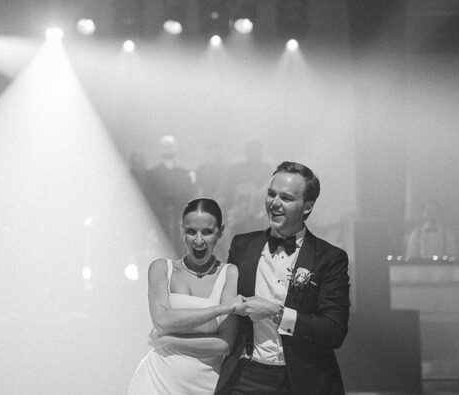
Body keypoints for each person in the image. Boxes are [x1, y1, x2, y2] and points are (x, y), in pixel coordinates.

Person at [215, 161, 350, 395]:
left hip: (301, 380)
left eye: (286, 198)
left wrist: (276, 313)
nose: (274, 203)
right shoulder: (242, 245)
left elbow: (334, 331)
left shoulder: (329, 258)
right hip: (245, 376)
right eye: (271, 194)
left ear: (307, 207)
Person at [129, 198, 244, 394]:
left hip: (205, 384)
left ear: (220, 232)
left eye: (207, 232)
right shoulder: (161, 268)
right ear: (182, 230)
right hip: (156, 381)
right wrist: (222, 309)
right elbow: (163, 322)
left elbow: (224, 345)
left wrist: (172, 341)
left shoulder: (229, 273)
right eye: (191, 231)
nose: (198, 240)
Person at [144, 135, 197, 253]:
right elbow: (149, 199)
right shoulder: (152, 175)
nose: (168, 149)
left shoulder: (185, 173)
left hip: (181, 223)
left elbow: (191, 197)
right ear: (160, 149)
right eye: (165, 146)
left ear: (176, 148)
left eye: (170, 146)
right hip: (161, 222)